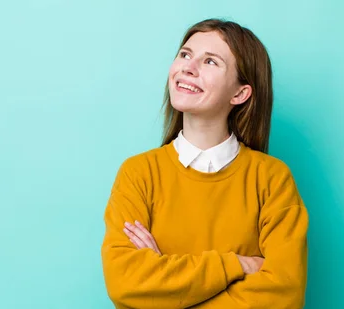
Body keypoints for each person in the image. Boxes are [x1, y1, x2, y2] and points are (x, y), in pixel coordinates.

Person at [101, 18, 309, 309]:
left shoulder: (272, 179)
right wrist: (236, 265)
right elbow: (125, 284)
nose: (188, 66)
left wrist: (167, 287)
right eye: (185, 54)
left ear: (240, 93)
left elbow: (284, 294)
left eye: (210, 61)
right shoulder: (138, 174)